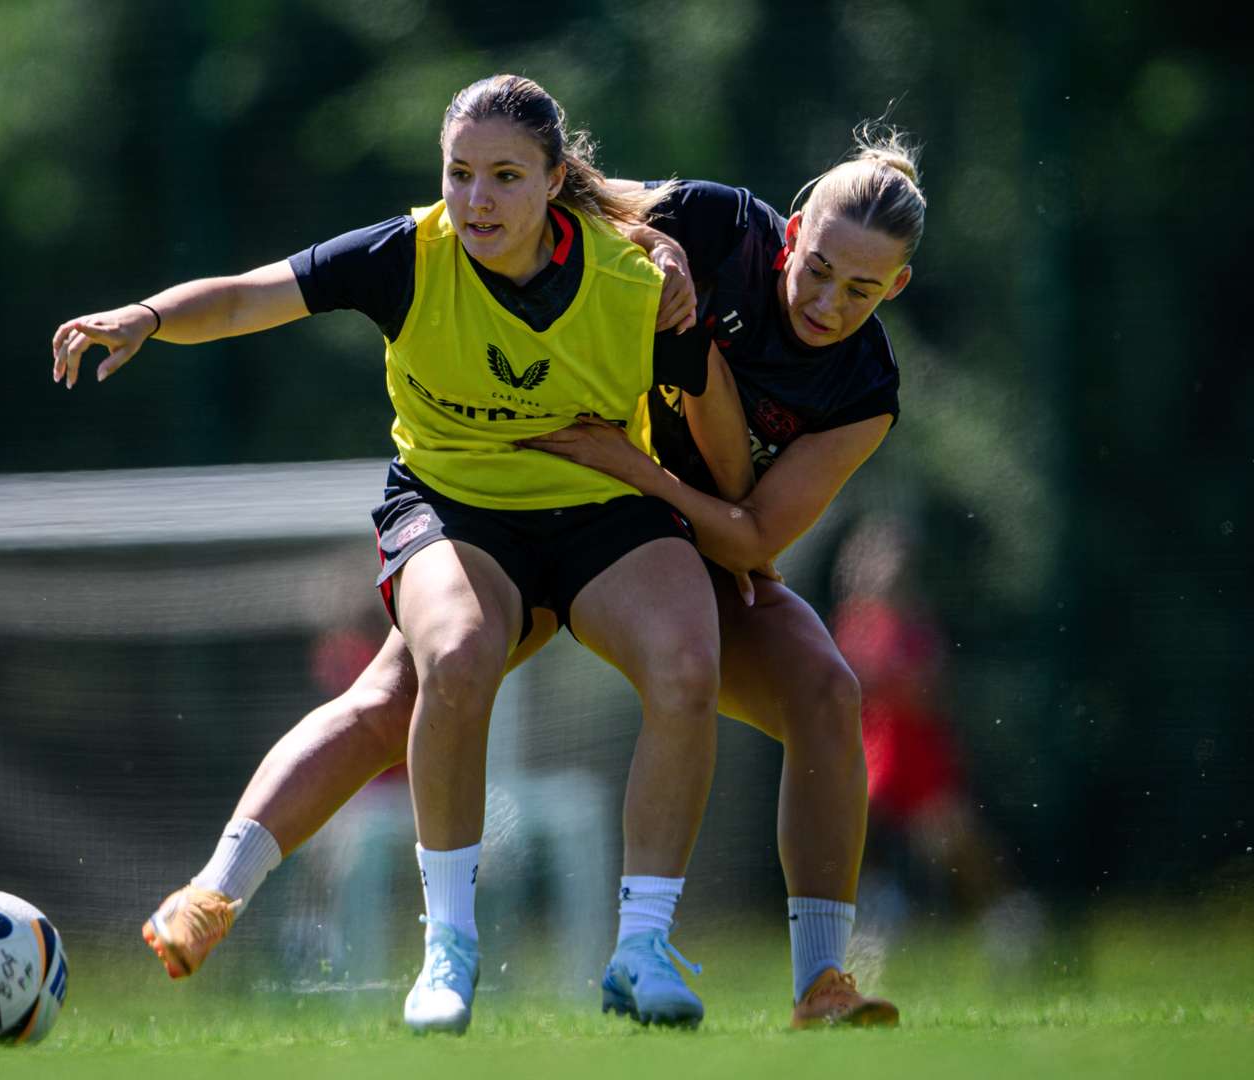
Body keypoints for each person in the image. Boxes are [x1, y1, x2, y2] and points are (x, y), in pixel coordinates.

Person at [129, 124, 931, 1031]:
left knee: (827, 691)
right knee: (404, 695)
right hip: (557, 505)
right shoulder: (716, 225)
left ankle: (819, 983)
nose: (827, 302)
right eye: (819, 269)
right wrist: (655, 241)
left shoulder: (864, 387)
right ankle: (218, 890)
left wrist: (640, 470)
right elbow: (568, 193)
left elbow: (752, 534)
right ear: (792, 231)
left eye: (861, 290)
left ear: (896, 288)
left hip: (674, 529)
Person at [51, 74, 743, 1034]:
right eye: (459, 173)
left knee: (686, 664)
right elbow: (252, 297)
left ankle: (643, 948)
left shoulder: (633, 281)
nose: (476, 199)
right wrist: (148, 316)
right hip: (456, 512)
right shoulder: (407, 255)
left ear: (555, 181)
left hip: (602, 511)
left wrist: (733, 512)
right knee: (450, 658)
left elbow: (713, 416)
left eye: (505, 176)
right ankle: (445, 950)